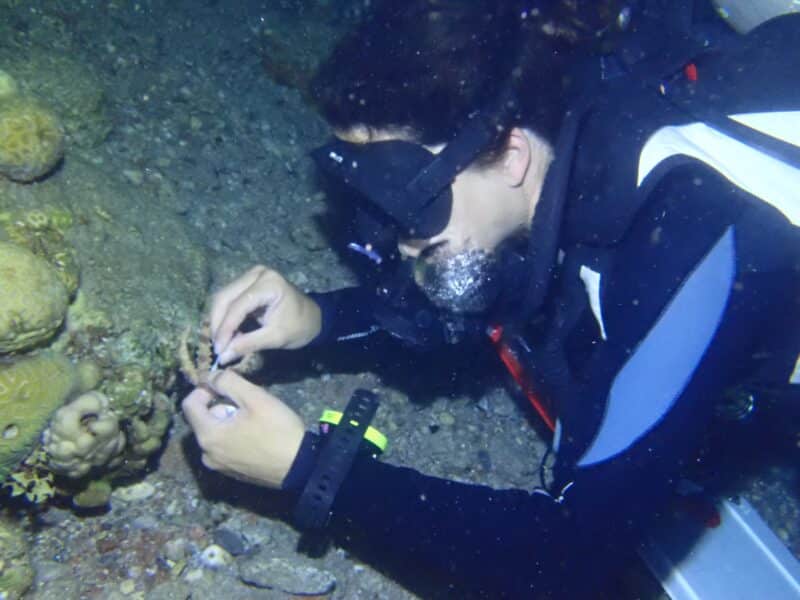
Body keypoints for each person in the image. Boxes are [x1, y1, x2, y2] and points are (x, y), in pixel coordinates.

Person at [182, 1, 800, 596]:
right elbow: (494, 290)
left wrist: (312, 471)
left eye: (401, 199)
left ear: (510, 154)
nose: (391, 242)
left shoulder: (689, 230)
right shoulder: (571, 144)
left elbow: (567, 558)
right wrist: (319, 319)